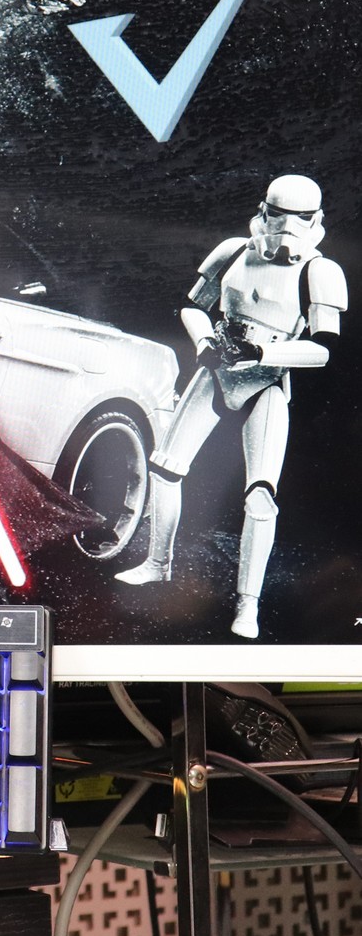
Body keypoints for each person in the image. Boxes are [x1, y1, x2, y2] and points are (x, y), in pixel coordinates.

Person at [115, 174, 346, 639]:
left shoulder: (320, 271)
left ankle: (248, 603)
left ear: (316, 220)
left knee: (260, 495)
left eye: (299, 219)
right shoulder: (234, 251)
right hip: (216, 370)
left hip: (265, 381)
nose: (286, 229)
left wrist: (261, 353)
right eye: (278, 216)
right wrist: (205, 342)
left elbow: (322, 349)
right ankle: (158, 563)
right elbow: (192, 306)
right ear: (263, 212)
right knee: (165, 468)